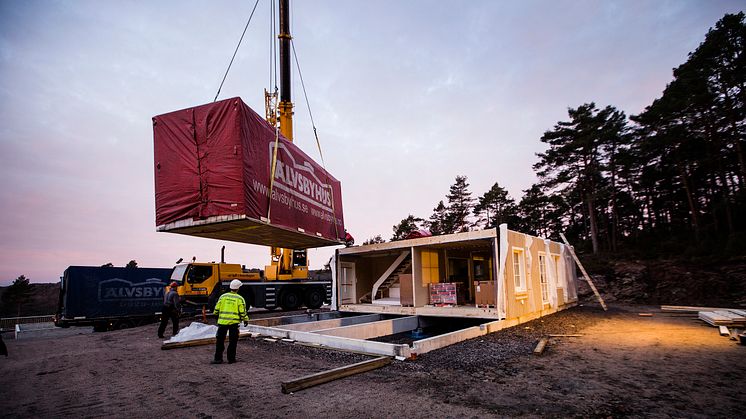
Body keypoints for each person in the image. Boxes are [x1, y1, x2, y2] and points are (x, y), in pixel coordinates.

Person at [211, 279, 248, 364]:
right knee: (233, 341)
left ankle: (218, 359)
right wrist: (245, 320)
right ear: (238, 288)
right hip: (233, 324)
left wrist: (216, 315)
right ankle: (231, 359)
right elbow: (242, 311)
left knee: (220, 341)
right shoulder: (239, 298)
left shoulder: (223, 297)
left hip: (222, 323)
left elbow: (217, 308)